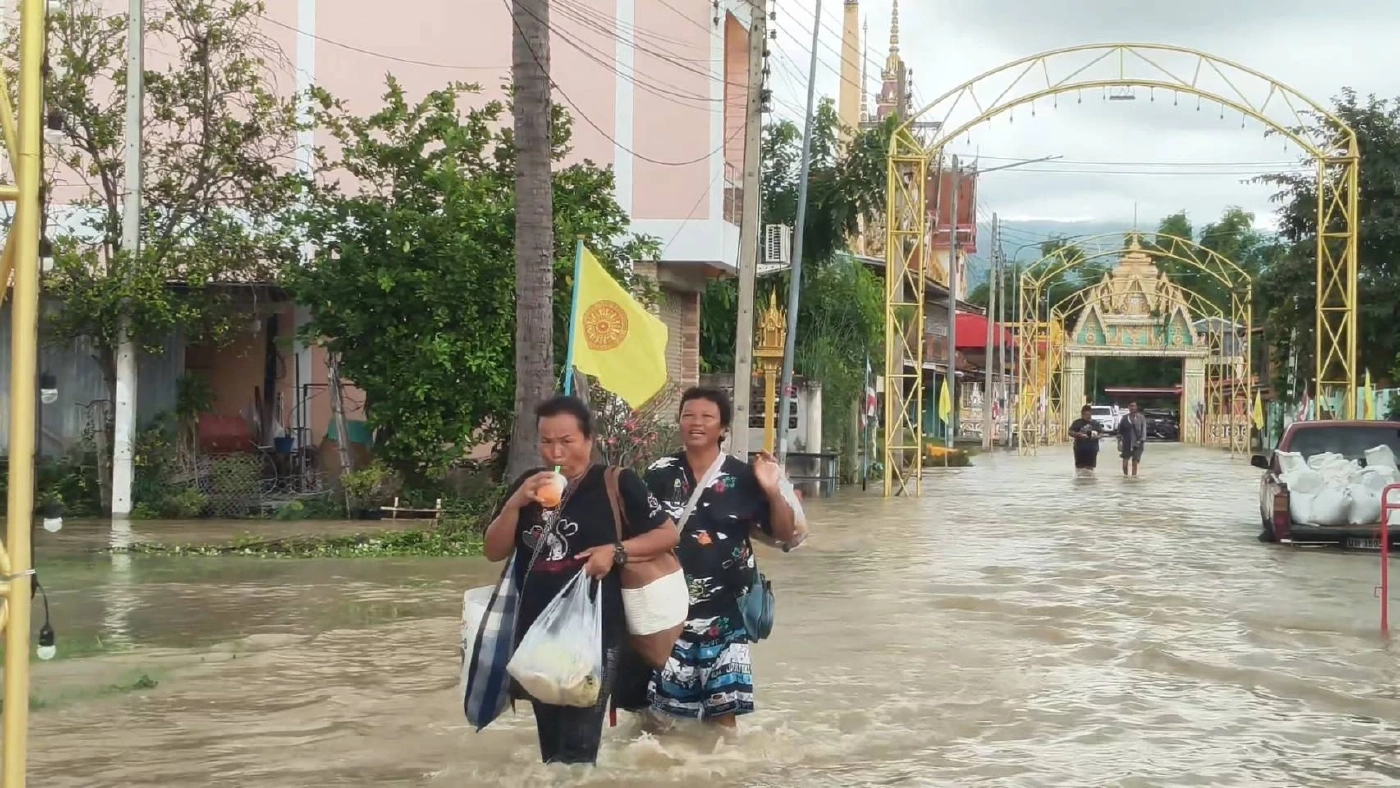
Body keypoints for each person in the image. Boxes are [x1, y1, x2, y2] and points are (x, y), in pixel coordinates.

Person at [483, 395, 679, 765]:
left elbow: (667, 535)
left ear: (589, 440)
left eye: (567, 441)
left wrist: (616, 552)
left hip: (595, 633)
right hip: (536, 634)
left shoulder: (617, 483)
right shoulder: (530, 485)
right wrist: (515, 505)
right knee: (552, 747)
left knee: (578, 746)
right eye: (546, 441)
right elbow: (494, 550)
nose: (555, 451)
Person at [641, 387, 798, 729]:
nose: (696, 423)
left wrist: (772, 489)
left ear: (723, 428)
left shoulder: (744, 478)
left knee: (723, 723)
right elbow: (637, 533)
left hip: (726, 621)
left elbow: (784, 534)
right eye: (688, 415)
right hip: (668, 618)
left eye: (706, 417)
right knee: (662, 722)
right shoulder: (659, 473)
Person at [1117, 401, 1148, 476]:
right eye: (1131, 406)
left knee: (1134, 463)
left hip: (1138, 443)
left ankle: (1134, 478)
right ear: (1128, 407)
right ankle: (1125, 477)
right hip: (1126, 443)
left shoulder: (1141, 418)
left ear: (1136, 407)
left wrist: (1142, 440)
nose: (1132, 407)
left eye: (1134, 406)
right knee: (1125, 464)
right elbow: (1119, 431)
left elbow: (1144, 430)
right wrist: (1119, 442)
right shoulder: (1124, 418)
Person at [1068, 404, 1102, 472]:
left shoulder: (1095, 423)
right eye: (1086, 415)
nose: (1088, 417)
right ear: (1082, 414)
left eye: (1089, 415)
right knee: (1079, 469)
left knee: (1090, 469)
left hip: (1092, 449)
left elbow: (1101, 433)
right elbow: (1070, 432)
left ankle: (1089, 481)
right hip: (1080, 450)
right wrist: (1078, 434)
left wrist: (1097, 436)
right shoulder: (1077, 423)